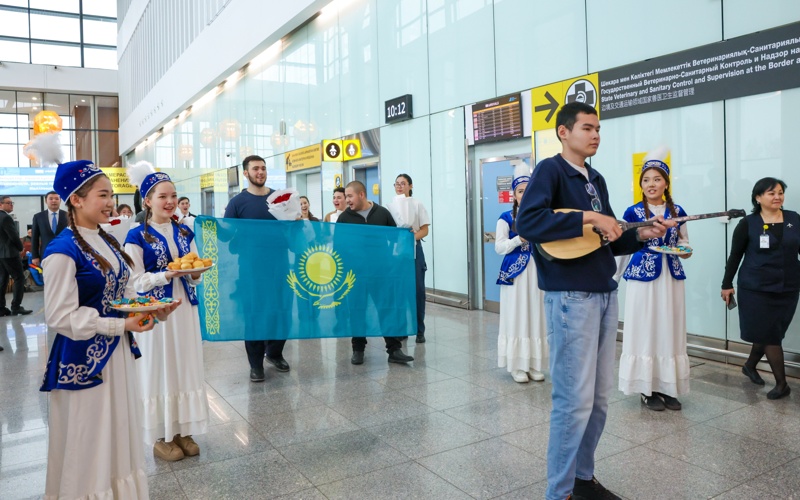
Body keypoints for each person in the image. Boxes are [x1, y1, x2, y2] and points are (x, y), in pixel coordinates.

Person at [516, 102, 673, 500]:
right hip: (571, 296)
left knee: (598, 400)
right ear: (564, 132)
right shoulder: (550, 170)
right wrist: (589, 217)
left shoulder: (596, 178)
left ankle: (582, 479)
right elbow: (528, 222)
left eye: (598, 128)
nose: (595, 135)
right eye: (587, 128)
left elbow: (608, 238)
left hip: (604, 293)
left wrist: (641, 234)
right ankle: (559, 492)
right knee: (573, 401)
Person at [40, 159, 179, 499]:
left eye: (111, 195)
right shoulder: (61, 250)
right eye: (102, 195)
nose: (110, 202)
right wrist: (119, 324)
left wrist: (152, 309)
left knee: (118, 432)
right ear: (76, 200)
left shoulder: (107, 241)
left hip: (117, 354)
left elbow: (125, 292)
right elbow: (59, 317)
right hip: (83, 362)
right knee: (90, 441)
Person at [124, 162, 210, 461]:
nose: (170, 201)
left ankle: (183, 429)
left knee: (184, 364)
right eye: (162, 196)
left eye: (173, 195)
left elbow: (195, 271)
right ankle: (161, 436)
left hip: (184, 308)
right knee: (159, 366)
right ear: (147, 201)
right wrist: (165, 275)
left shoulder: (185, 231)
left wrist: (195, 273)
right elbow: (134, 282)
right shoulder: (136, 236)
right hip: (155, 312)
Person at [618, 156, 691, 411]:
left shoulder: (678, 211)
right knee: (645, 327)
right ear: (641, 184)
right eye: (646, 180)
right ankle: (645, 388)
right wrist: (613, 278)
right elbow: (623, 247)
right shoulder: (632, 212)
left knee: (669, 328)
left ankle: (667, 387)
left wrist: (685, 251)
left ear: (666, 184)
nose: (651, 184)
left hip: (671, 276)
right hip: (642, 278)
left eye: (657, 179)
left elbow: (684, 243)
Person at [722, 177, 798, 400]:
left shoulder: (794, 218)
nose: (777, 197)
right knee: (770, 335)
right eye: (771, 193)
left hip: (788, 286)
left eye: (780, 192)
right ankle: (782, 384)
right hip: (756, 288)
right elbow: (735, 256)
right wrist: (726, 284)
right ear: (758, 197)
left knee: (770, 331)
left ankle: (749, 365)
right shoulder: (748, 223)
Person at [224, 155, 291, 382]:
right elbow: (227, 235)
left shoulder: (279, 198)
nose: (260, 172)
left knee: (281, 311)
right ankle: (255, 364)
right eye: (255, 169)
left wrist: (297, 221)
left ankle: (274, 353)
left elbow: (291, 229)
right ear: (246, 173)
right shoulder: (237, 203)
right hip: (251, 269)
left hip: (280, 265)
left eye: (263, 168)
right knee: (254, 314)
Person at [338, 180, 414, 365]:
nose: (347, 200)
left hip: (381, 273)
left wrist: (405, 233)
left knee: (387, 308)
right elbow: (338, 247)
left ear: (361, 194)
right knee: (357, 310)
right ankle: (358, 349)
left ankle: (394, 349)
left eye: (350, 196)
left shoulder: (382, 213)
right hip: (355, 275)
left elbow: (394, 238)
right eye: (346, 196)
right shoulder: (344, 218)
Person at [495, 164, 547, 383]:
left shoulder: (542, 216)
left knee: (536, 314)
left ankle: (533, 362)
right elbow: (499, 247)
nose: (524, 195)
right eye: (520, 191)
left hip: (537, 271)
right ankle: (517, 365)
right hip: (515, 275)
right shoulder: (505, 217)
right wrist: (519, 239)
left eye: (528, 190)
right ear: (514, 195)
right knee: (516, 315)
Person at [390, 174, 431, 344]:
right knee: (398, 291)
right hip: (396, 252)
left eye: (403, 183)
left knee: (417, 291)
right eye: (397, 184)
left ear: (410, 186)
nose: (399, 186)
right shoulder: (391, 206)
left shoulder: (417, 204)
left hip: (414, 250)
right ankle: (402, 329)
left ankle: (419, 330)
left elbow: (424, 230)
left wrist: (411, 238)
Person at [0, 196, 32, 316]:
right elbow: (13, 235)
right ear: (0, 204)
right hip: (10, 254)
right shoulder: (6, 218)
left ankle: (1, 308)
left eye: (12, 203)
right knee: (19, 278)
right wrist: (20, 247)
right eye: (8, 203)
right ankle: (16, 307)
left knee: (2, 280)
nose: (11, 205)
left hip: (1, 254)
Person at [31, 190, 68, 267]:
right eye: (51, 199)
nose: (54, 201)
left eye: (56, 199)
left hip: (65, 253)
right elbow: (34, 238)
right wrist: (35, 256)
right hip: (46, 253)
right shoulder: (38, 217)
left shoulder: (67, 216)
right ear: (46, 201)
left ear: (60, 201)